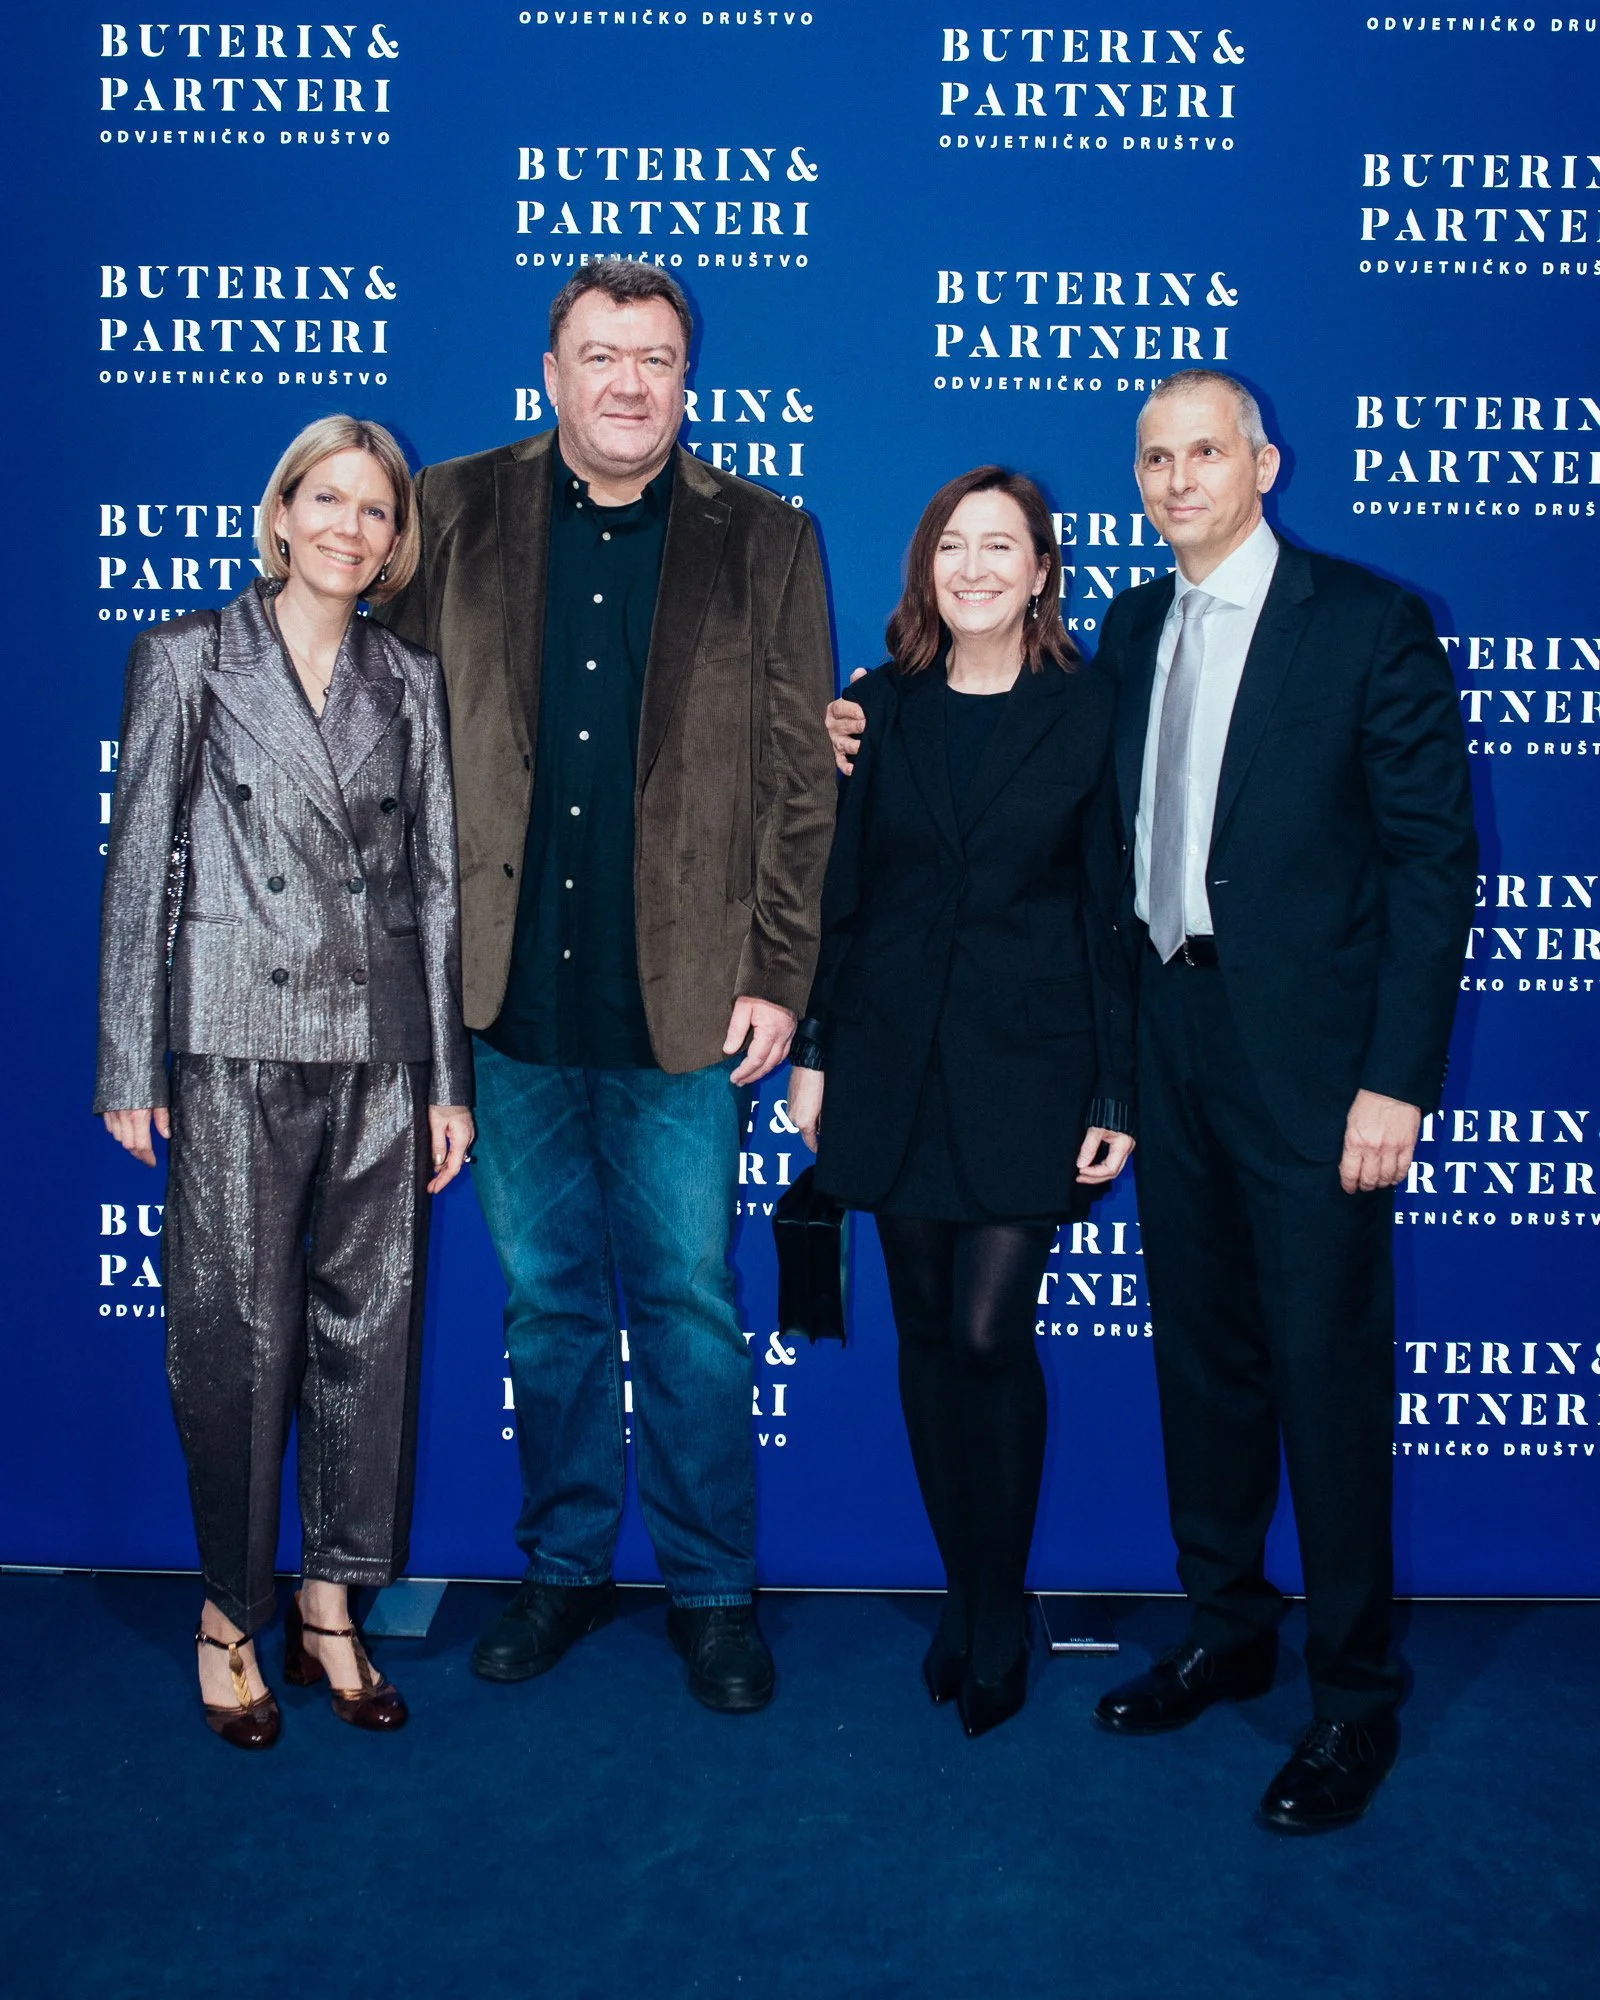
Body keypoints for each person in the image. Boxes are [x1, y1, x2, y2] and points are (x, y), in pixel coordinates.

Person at [829, 372, 1477, 1825]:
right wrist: (845, 733)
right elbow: (1000, 771)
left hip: (1313, 1068)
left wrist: (1394, 1081)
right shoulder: (1126, 633)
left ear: (1267, 459)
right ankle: (1228, 1629)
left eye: (1207, 452)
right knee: (1205, 1360)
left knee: (1325, 1371)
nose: (1180, 478)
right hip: (1162, 1039)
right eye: (1156, 458)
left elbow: (1437, 870)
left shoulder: (1369, 625)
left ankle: (1352, 1696)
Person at [383, 260, 836, 1713]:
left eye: (656, 357)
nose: (629, 381)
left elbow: (795, 786)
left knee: (692, 1309)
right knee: (549, 1309)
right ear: (552, 370)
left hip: (687, 1003)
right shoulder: (448, 513)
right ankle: (565, 1569)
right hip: (498, 1001)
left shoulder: (765, 537)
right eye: (600, 354)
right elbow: (376, 741)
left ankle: (712, 1592)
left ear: (687, 381)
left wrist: (780, 973)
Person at [96, 415, 474, 1749]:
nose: (348, 529)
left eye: (375, 512)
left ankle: (330, 1602)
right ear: (279, 512)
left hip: (378, 1045)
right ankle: (226, 1613)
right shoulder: (187, 659)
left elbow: (433, 889)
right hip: (234, 1036)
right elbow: (139, 864)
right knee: (231, 1339)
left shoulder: (409, 680)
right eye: (327, 500)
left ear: (393, 540)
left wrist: (444, 1076)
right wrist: (128, 1053)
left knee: (370, 1339)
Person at [790, 467, 1134, 1738]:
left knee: (990, 1334)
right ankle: (964, 1592)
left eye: (1003, 547)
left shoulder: (1094, 707)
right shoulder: (875, 709)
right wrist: (815, 1048)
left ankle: (1001, 1596)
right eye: (954, 546)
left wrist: (1116, 1081)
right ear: (925, 568)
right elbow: (843, 896)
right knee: (926, 1335)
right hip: (888, 1061)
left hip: (1034, 1069)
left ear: (1043, 569)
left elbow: (1112, 908)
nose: (976, 566)